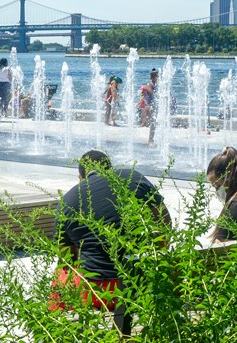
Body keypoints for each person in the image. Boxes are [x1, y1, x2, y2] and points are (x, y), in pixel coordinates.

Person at [52, 150, 170, 312]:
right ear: (110, 168)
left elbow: (66, 257)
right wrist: (159, 254)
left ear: (80, 178)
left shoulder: (67, 201)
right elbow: (164, 219)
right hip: (139, 283)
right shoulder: (133, 177)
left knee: (61, 275)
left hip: (96, 291)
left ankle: (56, 328)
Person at [140, 68, 159, 145]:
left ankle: (152, 139)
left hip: (156, 106)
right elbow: (152, 94)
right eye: (157, 76)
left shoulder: (157, 85)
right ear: (153, 77)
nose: (158, 78)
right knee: (153, 124)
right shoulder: (149, 85)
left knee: (155, 123)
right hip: (151, 106)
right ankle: (150, 140)